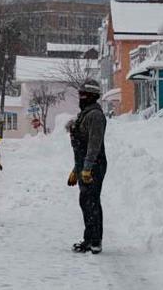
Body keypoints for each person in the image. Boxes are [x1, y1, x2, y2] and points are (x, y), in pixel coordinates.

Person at [67, 79, 107, 254]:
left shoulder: (95, 116)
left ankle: (95, 240)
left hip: (94, 166)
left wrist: (87, 167)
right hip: (85, 165)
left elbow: (94, 145)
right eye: (80, 94)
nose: (80, 98)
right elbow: (80, 148)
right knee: (86, 202)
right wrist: (76, 169)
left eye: (83, 95)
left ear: (92, 96)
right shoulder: (84, 114)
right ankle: (89, 239)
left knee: (91, 202)